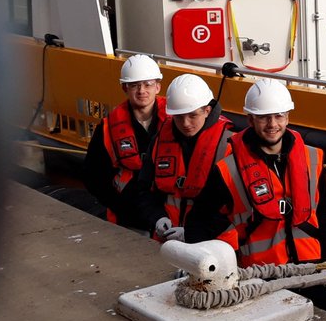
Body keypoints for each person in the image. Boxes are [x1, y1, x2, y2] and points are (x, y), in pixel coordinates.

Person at [189, 77, 326, 267]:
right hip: (260, 274)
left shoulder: (312, 159)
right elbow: (198, 220)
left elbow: (324, 213)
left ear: (287, 117)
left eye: (278, 116)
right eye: (263, 117)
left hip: (310, 265)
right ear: (250, 119)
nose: (272, 124)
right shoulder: (228, 170)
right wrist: (200, 264)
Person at [134, 74, 235, 243]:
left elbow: (235, 208)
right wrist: (157, 218)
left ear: (207, 110)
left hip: (214, 245)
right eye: (179, 117)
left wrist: (192, 233)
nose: (186, 123)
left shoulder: (228, 146)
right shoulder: (160, 141)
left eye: (193, 116)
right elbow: (143, 190)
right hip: (167, 241)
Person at [83, 54, 167, 229]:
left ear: (158, 87)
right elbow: (93, 175)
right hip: (128, 217)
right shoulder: (108, 128)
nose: (141, 91)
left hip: (167, 212)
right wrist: (118, 204)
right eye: (134, 85)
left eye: (148, 84)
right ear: (124, 88)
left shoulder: (176, 121)